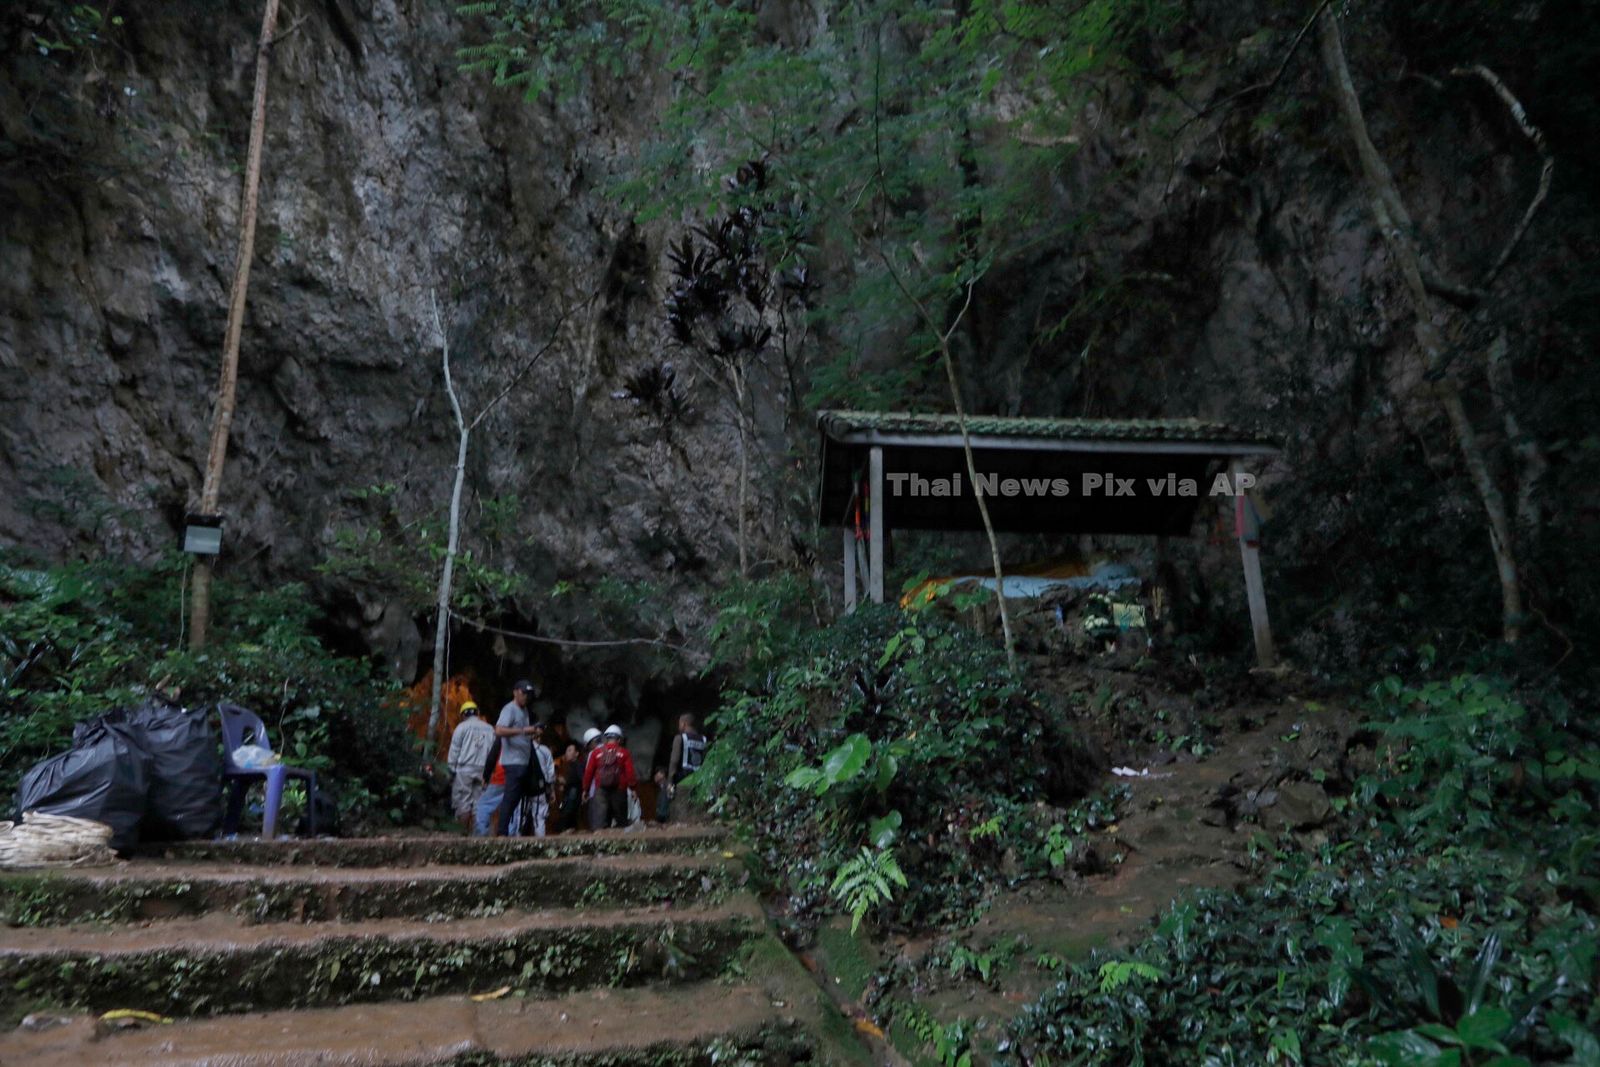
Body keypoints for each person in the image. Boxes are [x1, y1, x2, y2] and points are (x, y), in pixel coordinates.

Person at [493, 679, 540, 837]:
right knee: (510, 797)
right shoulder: (510, 709)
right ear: (515, 692)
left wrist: (533, 731)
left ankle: (512, 831)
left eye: (528, 694)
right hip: (513, 762)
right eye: (523, 693)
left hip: (522, 761)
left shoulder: (524, 711)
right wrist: (523, 730)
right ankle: (501, 832)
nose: (526, 696)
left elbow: (523, 731)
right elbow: (499, 730)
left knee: (518, 798)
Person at [446, 700, 495, 834]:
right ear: (477, 713)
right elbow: (493, 752)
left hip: (464, 769)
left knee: (463, 803)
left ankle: (462, 835)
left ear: (463, 715)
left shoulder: (461, 728)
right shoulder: (489, 728)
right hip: (483, 769)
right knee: (479, 804)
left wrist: (451, 770)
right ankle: (477, 836)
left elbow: (454, 751)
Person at [582, 724, 637, 830]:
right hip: (619, 789)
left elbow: (588, 773)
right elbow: (630, 773)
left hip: (600, 790)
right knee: (621, 821)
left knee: (600, 821)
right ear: (619, 739)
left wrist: (585, 790)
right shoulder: (624, 753)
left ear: (606, 738)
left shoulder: (596, 753)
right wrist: (633, 788)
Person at [659, 713, 706, 824]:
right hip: (699, 776)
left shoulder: (680, 738)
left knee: (664, 784)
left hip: (684, 775)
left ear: (684, 724)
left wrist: (670, 781)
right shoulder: (703, 739)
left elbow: (674, 760)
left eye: (679, 723)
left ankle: (662, 813)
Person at [525, 720, 557, 837]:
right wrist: (552, 790)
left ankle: (516, 840)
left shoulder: (521, 750)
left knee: (520, 815)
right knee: (539, 816)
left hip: (523, 787)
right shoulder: (545, 751)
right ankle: (540, 841)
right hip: (540, 788)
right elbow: (550, 773)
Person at [558, 740, 585, 832]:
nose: (567, 753)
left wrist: (565, 782)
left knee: (568, 812)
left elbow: (580, 779)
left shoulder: (577, 765)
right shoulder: (570, 766)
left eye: (570, 750)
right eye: (566, 751)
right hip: (572, 793)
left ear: (576, 753)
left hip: (574, 794)